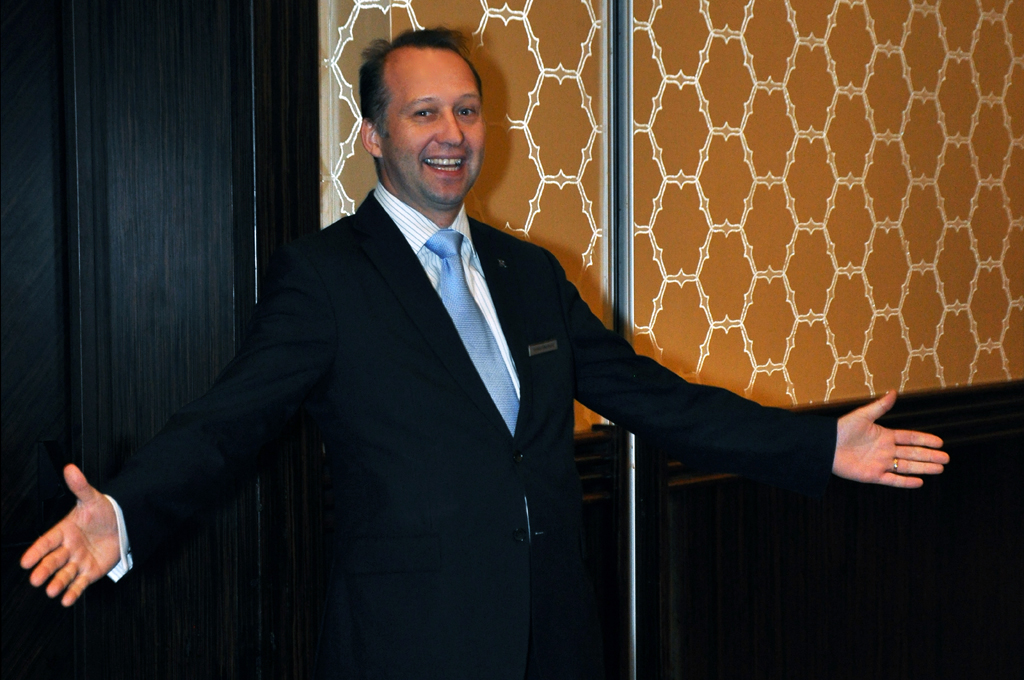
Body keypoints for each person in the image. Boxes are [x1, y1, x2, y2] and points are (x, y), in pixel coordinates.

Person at [21, 28, 947, 680]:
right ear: (375, 135)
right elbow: (230, 422)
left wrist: (816, 444)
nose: (451, 134)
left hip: (555, 638)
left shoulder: (528, 272)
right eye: (424, 113)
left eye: (466, 111)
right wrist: (127, 512)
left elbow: (652, 397)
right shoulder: (326, 278)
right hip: (411, 644)